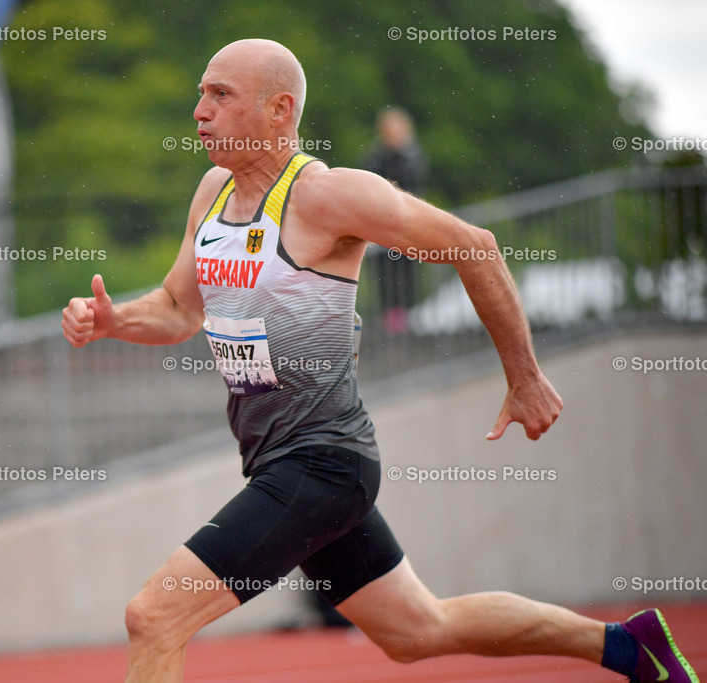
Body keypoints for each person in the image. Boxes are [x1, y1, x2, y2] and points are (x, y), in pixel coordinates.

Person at [61, 39, 698, 683]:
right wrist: (116, 321)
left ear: (280, 110)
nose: (200, 110)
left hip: (323, 464)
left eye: (220, 94)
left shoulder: (328, 196)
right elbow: (178, 308)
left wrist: (525, 375)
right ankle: (626, 646)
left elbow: (473, 246)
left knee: (156, 615)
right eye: (201, 92)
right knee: (419, 630)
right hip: (277, 462)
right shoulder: (212, 193)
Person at [362, 107, 427, 334]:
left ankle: (407, 316)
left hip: (408, 224)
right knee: (385, 276)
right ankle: (390, 318)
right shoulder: (377, 157)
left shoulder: (412, 156)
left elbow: (414, 187)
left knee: (407, 273)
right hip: (383, 227)